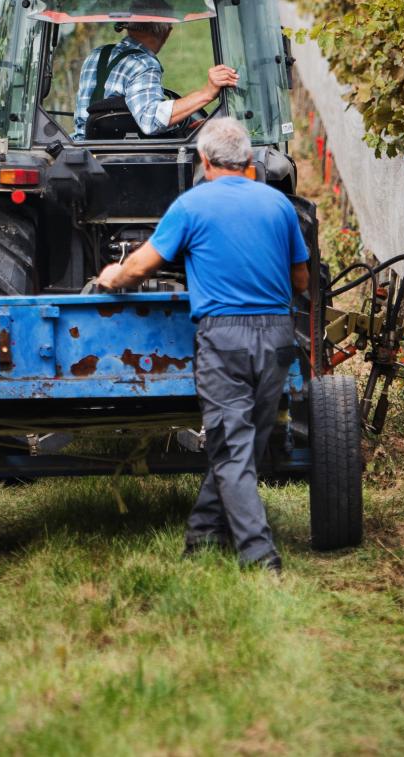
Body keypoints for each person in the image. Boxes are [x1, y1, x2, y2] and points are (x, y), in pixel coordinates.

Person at [95, 117, 310, 571]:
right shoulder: (279, 206)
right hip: (276, 335)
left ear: (203, 161)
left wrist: (111, 276)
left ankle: (259, 557)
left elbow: (139, 269)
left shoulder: (191, 206)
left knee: (233, 447)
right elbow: (301, 278)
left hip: (224, 337)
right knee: (244, 443)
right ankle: (201, 537)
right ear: (250, 161)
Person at [72, 0, 238, 139]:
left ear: (128, 25)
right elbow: (150, 121)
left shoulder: (96, 55)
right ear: (167, 32)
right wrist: (206, 93)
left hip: (80, 151)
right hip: (122, 159)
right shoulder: (144, 64)